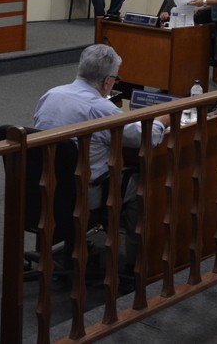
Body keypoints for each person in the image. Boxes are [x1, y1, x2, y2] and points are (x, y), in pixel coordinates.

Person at [33, 44, 169, 277]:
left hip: (42, 186)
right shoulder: (100, 108)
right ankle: (137, 266)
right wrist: (162, 121)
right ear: (107, 82)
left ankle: (73, 242)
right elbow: (144, 136)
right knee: (142, 183)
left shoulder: (51, 94)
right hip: (85, 192)